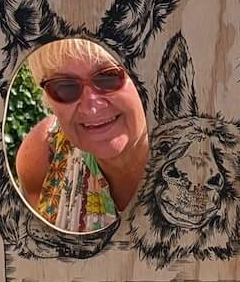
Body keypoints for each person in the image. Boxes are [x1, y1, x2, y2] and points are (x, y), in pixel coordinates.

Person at [13, 38, 150, 234]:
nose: (90, 107)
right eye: (65, 87)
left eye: (108, 77)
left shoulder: (195, 159)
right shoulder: (43, 154)